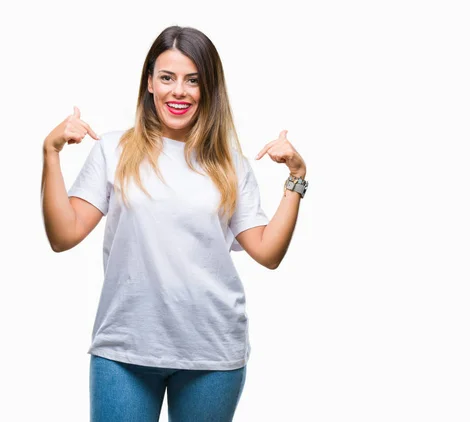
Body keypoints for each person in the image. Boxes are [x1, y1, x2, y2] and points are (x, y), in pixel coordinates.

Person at [40, 25, 307, 422]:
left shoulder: (230, 164)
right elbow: (63, 236)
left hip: (212, 352)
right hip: (124, 350)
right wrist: (51, 153)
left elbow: (268, 252)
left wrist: (296, 179)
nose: (178, 91)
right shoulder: (114, 150)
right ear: (149, 82)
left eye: (192, 81)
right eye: (167, 77)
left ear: (208, 89)